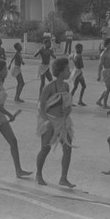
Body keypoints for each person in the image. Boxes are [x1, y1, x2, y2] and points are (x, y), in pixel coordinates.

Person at [36, 57, 76, 188]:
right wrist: (47, 121)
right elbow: (40, 106)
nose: (69, 71)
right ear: (60, 72)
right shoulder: (49, 87)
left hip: (63, 122)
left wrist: (67, 110)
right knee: (45, 148)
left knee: (68, 149)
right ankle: (38, 174)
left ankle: (63, 178)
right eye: (67, 69)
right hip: (49, 120)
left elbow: (68, 105)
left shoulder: (66, 86)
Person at [96, 38, 110, 109]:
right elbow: (100, 65)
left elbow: (107, 63)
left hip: (109, 70)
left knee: (108, 88)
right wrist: (98, 75)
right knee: (108, 88)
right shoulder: (103, 54)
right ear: (106, 45)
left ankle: (99, 101)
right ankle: (104, 104)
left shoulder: (108, 52)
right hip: (106, 71)